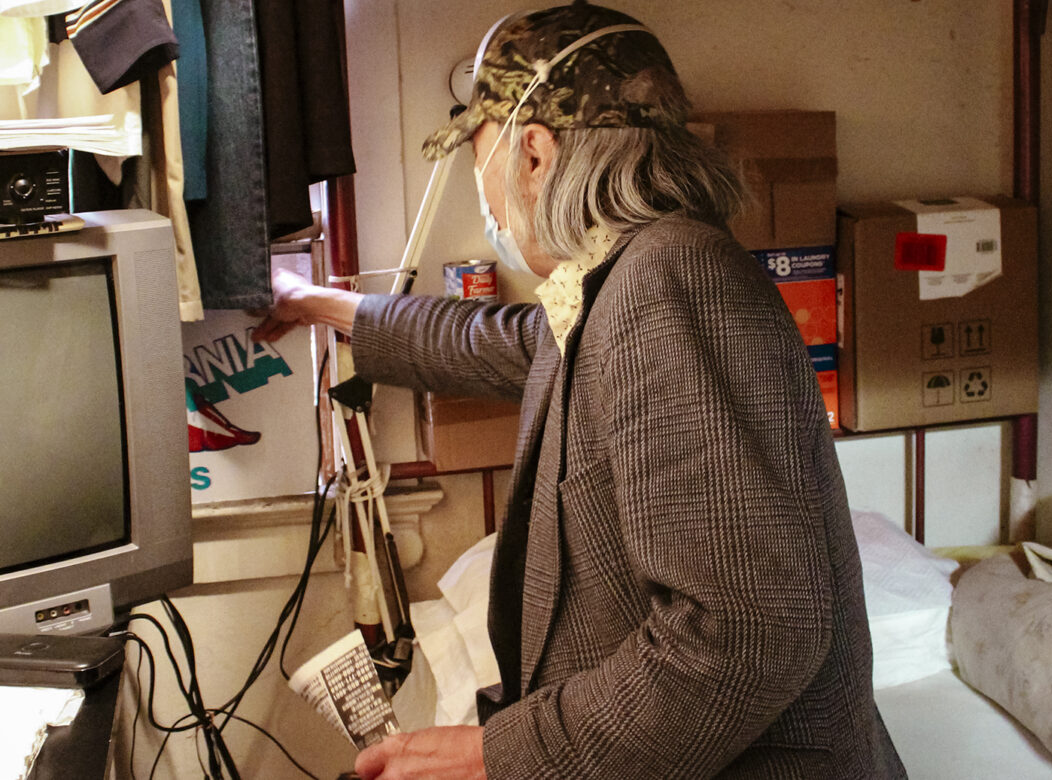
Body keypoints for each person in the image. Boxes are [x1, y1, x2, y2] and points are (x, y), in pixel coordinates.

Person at [255, 2, 906, 777]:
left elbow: (750, 629)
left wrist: (503, 757)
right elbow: (509, 345)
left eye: (482, 160)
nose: (485, 199)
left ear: (534, 153)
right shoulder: (626, 277)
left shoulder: (669, 277)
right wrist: (322, 305)